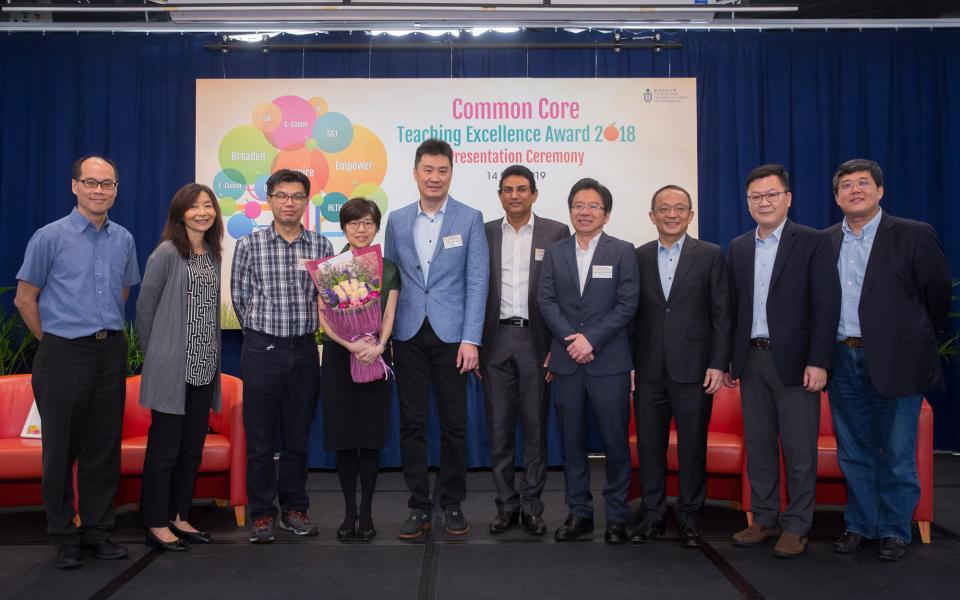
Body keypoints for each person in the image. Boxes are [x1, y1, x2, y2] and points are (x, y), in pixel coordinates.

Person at [14, 155, 140, 569]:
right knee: (60, 450)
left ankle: (99, 531)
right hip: (63, 352)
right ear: (74, 186)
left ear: (116, 190)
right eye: (91, 182)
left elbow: (123, 293)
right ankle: (64, 535)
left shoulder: (123, 238)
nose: (99, 190)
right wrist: (53, 340)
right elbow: (24, 298)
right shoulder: (49, 237)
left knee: (102, 448)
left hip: (110, 351)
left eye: (107, 184)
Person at [825, 159, 952, 561]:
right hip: (843, 360)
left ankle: (895, 528)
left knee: (897, 452)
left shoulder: (913, 235)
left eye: (864, 183)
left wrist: (908, 340)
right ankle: (861, 524)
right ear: (837, 197)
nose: (855, 190)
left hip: (898, 362)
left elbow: (937, 297)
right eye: (846, 185)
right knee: (854, 450)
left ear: (881, 191)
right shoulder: (826, 241)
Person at [724, 163, 840, 558]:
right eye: (756, 197)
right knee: (758, 446)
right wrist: (729, 361)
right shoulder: (738, 246)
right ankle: (765, 519)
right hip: (751, 361)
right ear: (747, 203)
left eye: (772, 194)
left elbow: (827, 306)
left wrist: (819, 360)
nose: (764, 202)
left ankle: (797, 525)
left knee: (799, 449)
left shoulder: (812, 242)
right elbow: (733, 309)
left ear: (788, 198)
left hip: (796, 363)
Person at [384, 139, 489, 539]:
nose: (434, 177)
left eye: (442, 170)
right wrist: (387, 334)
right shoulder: (396, 220)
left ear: (451, 173)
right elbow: (389, 280)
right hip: (408, 333)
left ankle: (452, 502)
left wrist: (471, 339)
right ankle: (418, 505)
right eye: (427, 169)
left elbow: (477, 281)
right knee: (411, 423)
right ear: (415, 172)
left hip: (453, 337)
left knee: (455, 423)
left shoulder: (470, 218)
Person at [231, 169, 334, 543]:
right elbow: (240, 299)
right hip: (262, 350)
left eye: (296, 196)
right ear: (270, 200)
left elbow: (327, 299)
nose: (289, 202)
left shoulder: (322, 247)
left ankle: (294, 509)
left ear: (307, 202)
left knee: (297, 438)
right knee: (260, 439)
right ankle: (261, 513)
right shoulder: (249, 245)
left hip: (305, 350)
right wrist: (263, 335)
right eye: (282, 195)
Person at [537, 177, 639, 544]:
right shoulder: (555, 251)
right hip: (566, 363)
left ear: (606, 214)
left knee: (614, 443)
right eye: (578, 205)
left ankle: (616, 517)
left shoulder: (623, 251)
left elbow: (627, 305)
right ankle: (578, 513)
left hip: (608, 361)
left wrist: (590, 339)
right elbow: (546, 301)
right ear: (570, 211)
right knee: (572, 443)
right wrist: (571, 340)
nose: (585, 211)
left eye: (593, 206)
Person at [630, 184, 731, 547]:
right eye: (663, 208)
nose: (671, 214)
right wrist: (629, 364)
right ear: (652, 215)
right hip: (648, 370)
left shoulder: (710, 255)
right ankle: (653, 517)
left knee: (692, 447)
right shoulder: (637, 256)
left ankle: (689, 518)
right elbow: (631, 315)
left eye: (679, 208)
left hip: (694, 370)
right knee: (650, 448)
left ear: (690, 214)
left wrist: (719, 363)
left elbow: (722, 314)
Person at [480, 165, 569, 536]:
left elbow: (565, 293)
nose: (514, 195)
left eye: (521, 189)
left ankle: (532, 506)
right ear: (499, 195)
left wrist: (557, 347)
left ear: (534, 194)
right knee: (498, 429)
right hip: (496, 341)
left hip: (537, 342)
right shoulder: (483, 233)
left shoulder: (556, 233)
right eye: (507, 190)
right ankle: (505, 506)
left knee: (535, 428)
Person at [137, 183, 224, 552]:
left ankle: (180, 516)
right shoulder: (167, 253)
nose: (203, 212)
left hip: (204, 368)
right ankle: (156, 522)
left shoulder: (214, 254)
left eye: (208, 206)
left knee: (191, 450)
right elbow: (145, 310)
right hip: (172, 368)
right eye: (195, 207)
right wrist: (157, 356)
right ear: (180, 213)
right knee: (164, 451)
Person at [318, 198, 400, 542]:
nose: (361, 229)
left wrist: (379, 345)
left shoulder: (389, 268)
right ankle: (348, 512)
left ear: (376, 227)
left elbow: (390, 313)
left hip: (376, 356)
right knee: (344, 438)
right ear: (344, 227)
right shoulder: (330, 268)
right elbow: (322, 314)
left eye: (367, 223)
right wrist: (350, 345)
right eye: (354, 223)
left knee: (369, 438)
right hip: (340, 357)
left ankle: (366, 513)